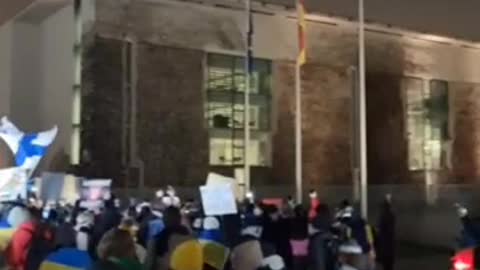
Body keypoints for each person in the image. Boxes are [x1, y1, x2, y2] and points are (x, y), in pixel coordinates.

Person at [376, 195, 396, 270]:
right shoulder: (391, 215)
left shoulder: (383, 216)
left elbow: (380, 228)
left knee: (386, 264)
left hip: (385, 242)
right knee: (389, 264)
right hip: (390, 242)